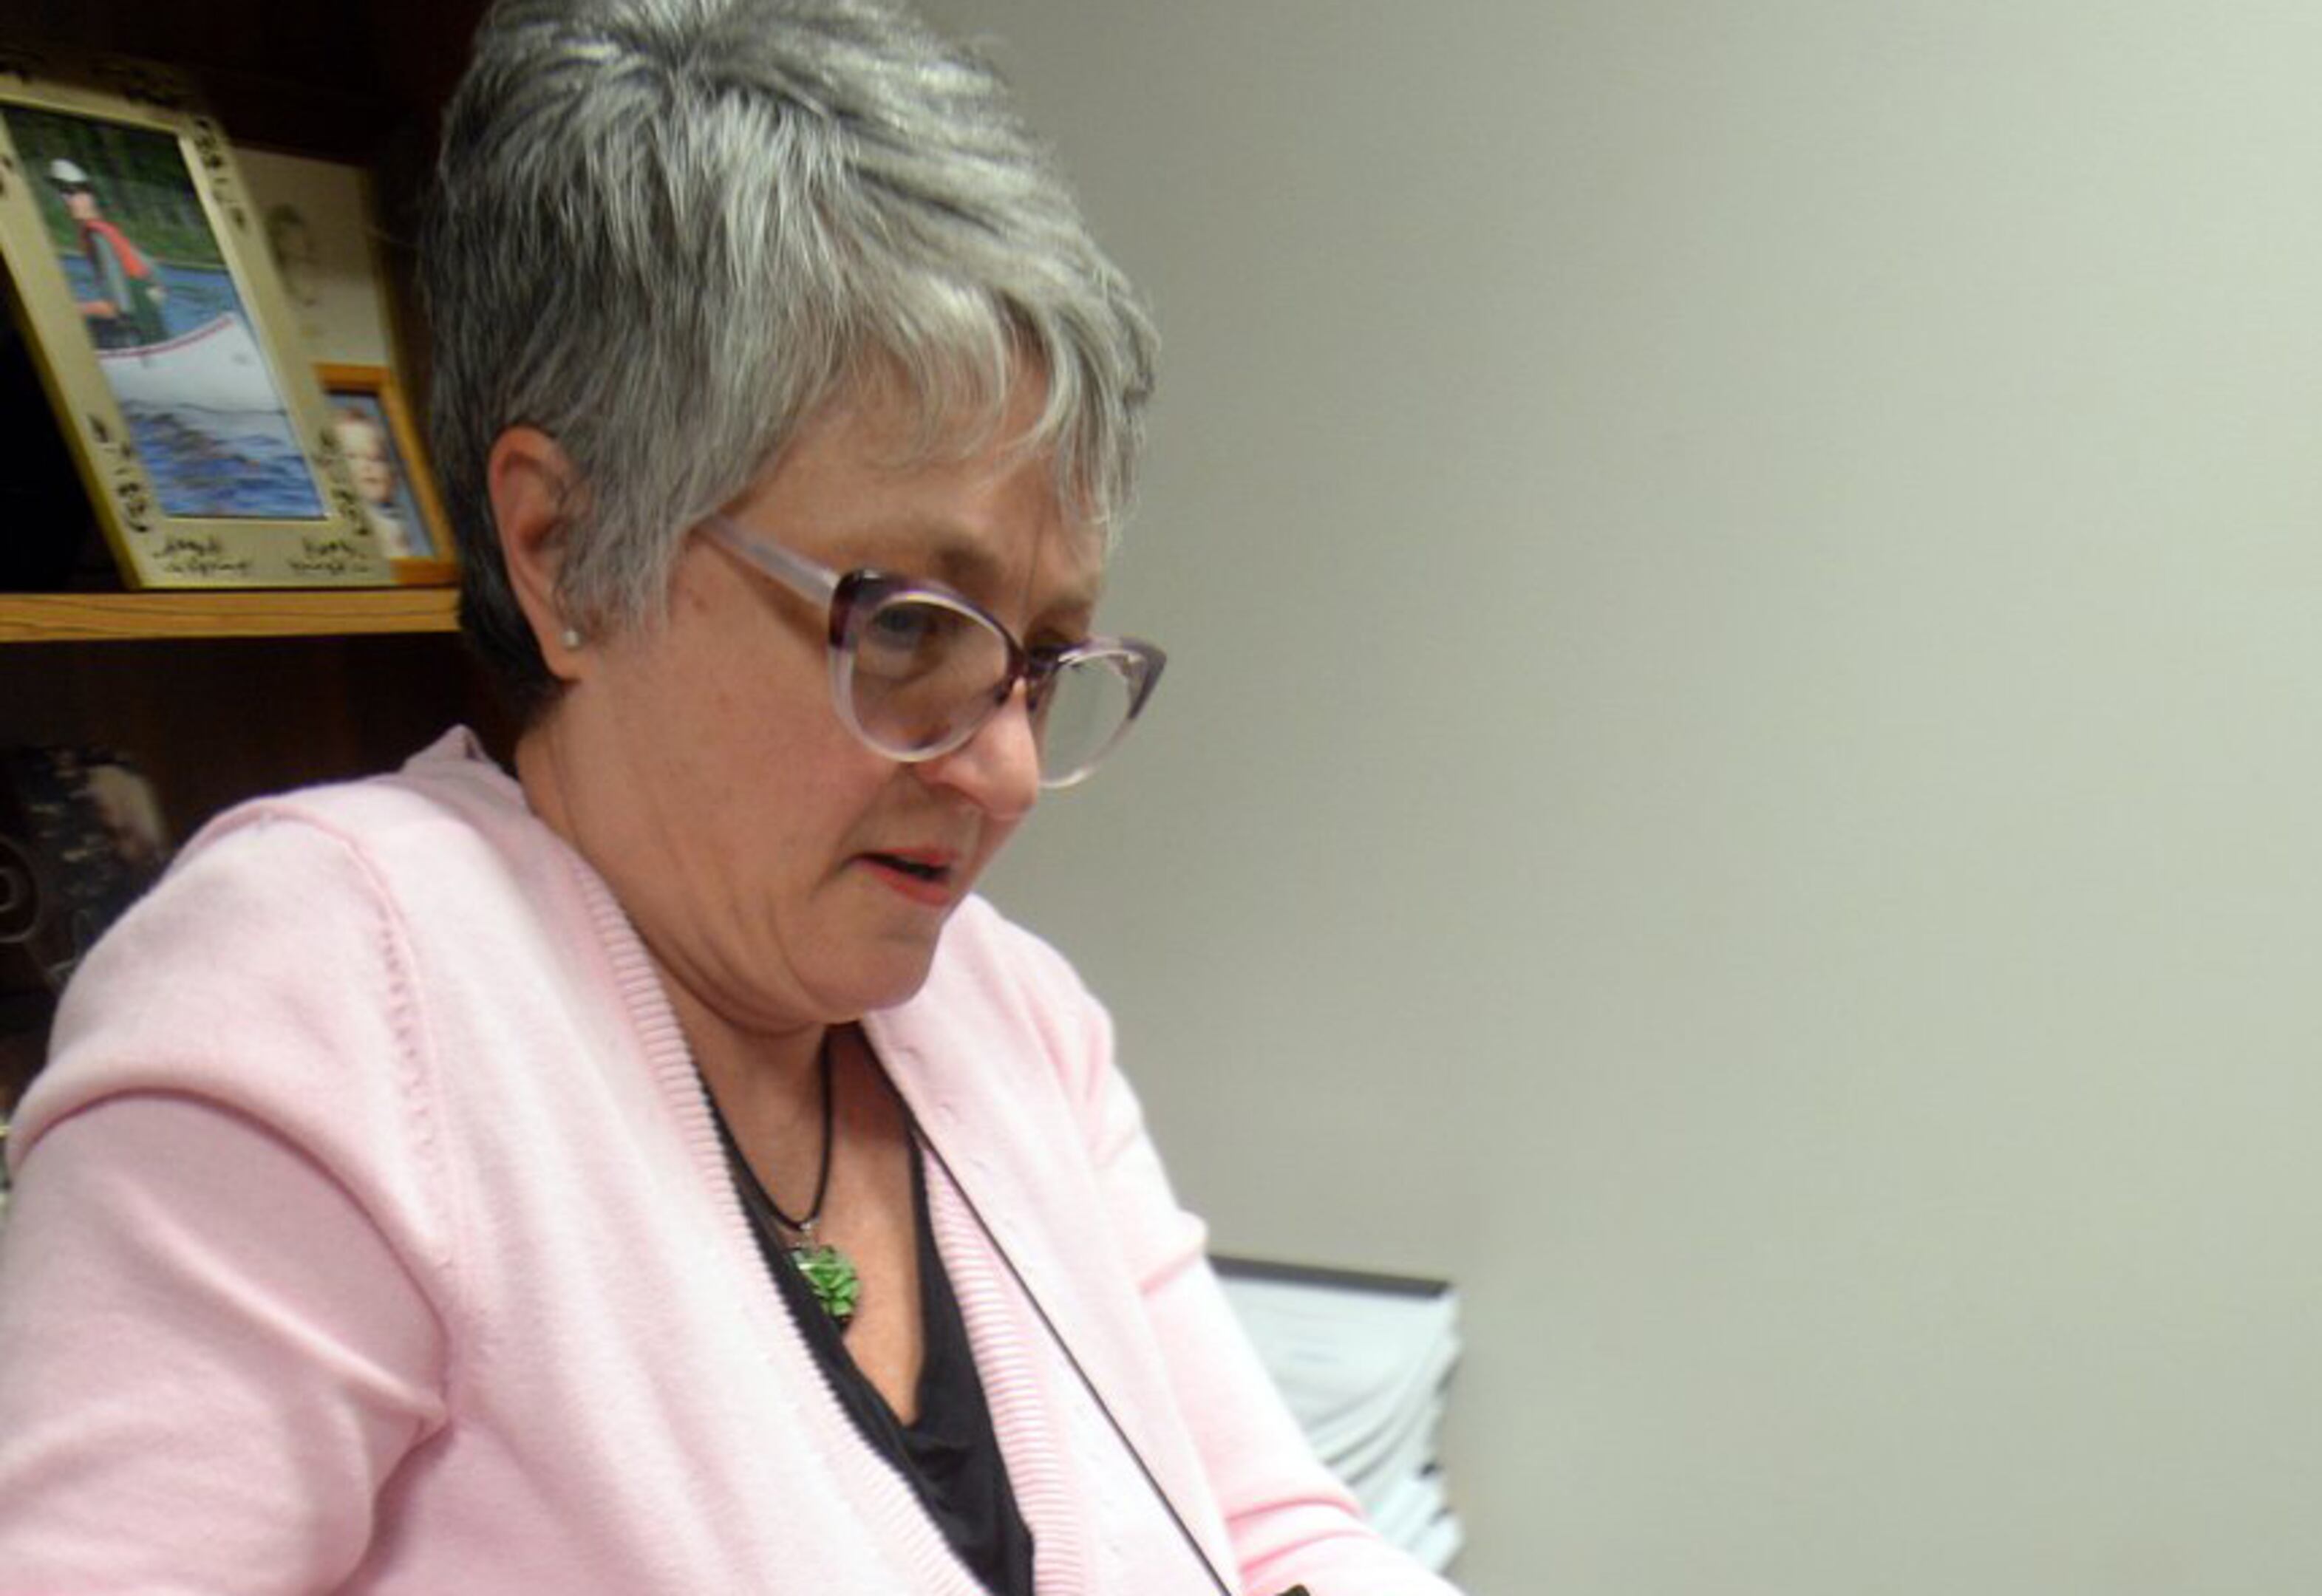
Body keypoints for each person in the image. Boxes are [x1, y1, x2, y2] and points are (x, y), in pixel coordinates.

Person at [0, 3, 1464, 1592]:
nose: (1010, 771)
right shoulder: (333, 995)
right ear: (565, 548)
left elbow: (1276, 1541)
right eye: (909, 629)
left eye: (1040, 663)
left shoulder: (1012, 1022)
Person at [47, 158, 168, 349]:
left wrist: (73, 311)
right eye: (64, 194)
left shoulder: (98, 236)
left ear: (90, 197)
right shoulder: (106, 230)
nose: (68, 201)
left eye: (73, 193)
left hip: (137, 331)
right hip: (148, 323)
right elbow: (153, 269)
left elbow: (119, 307)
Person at [331, 400, 431, 559]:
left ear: (394, 474)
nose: (367, 467)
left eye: (377, 458)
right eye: (352, 457)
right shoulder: (352, 523)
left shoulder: (406, 525)